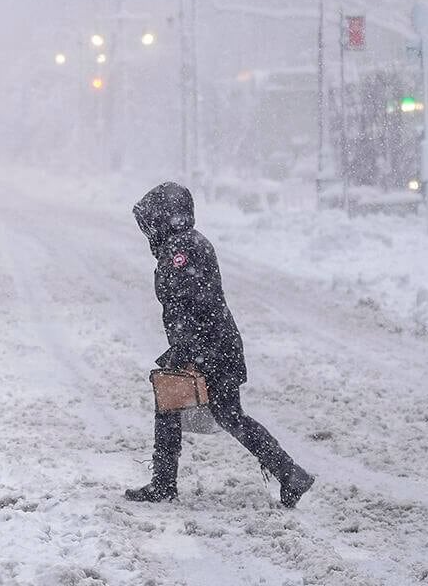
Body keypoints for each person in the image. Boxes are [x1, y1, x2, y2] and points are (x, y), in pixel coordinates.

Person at [126, 181, 313, 508]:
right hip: (214, 345)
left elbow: (193, 303)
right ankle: (289, 473)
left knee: (178, 406)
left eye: (152, 220)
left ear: (165, 216)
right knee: (224, 415)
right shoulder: (185, 244)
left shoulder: (181, 250)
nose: (148, 229)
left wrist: (187, 352)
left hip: (208, 348)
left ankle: (164, 485)